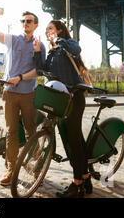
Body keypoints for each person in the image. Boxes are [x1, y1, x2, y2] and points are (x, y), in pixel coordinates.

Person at [32, 19, 92, 198]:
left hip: (74, 97)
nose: (48, 32)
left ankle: (78, 184)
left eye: (51, 28)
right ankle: (85, 177)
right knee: (73, 140)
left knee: (73, 139)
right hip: (60, 99)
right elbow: (42, 71)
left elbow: (77, 49)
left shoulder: (67, 45)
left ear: (59, 30)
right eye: (47, 30)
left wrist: (58, 40)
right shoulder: (52, 53)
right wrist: (36, 53)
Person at [0, 7, 46, 186]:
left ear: (35, 25)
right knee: (12, 132)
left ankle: (36, 170)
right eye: (23, 21)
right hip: (10, 94)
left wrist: (20, 77)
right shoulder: (13, 40)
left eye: (29, 21)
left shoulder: (39, 45)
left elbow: (39, 71)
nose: (25, 24)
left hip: (29, 94)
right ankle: (11, 171)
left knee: (31, 132)